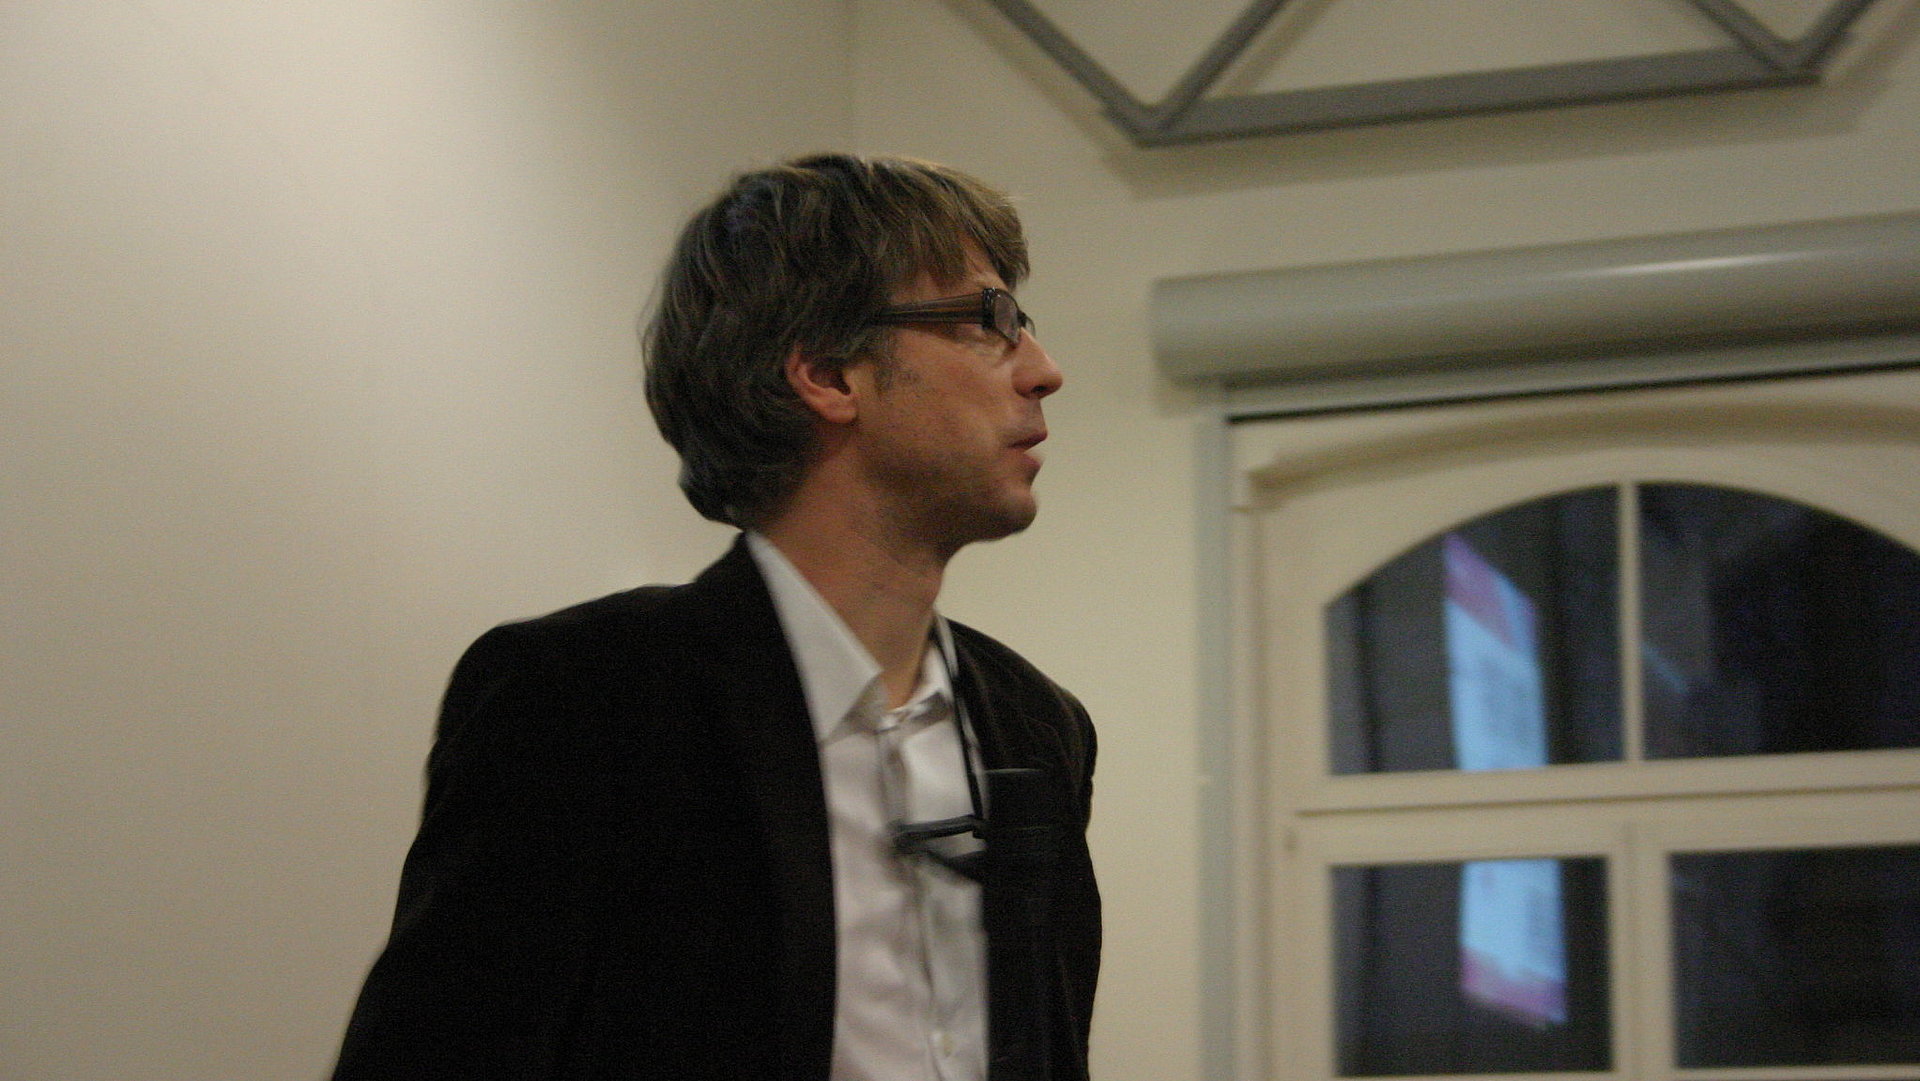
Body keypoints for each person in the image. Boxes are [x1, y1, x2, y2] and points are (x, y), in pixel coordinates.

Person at [330, 153, 1100, 1081]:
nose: (1043, 370)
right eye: (991, 320)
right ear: (828, 374)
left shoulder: (1037, 724)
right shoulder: (588, 699)